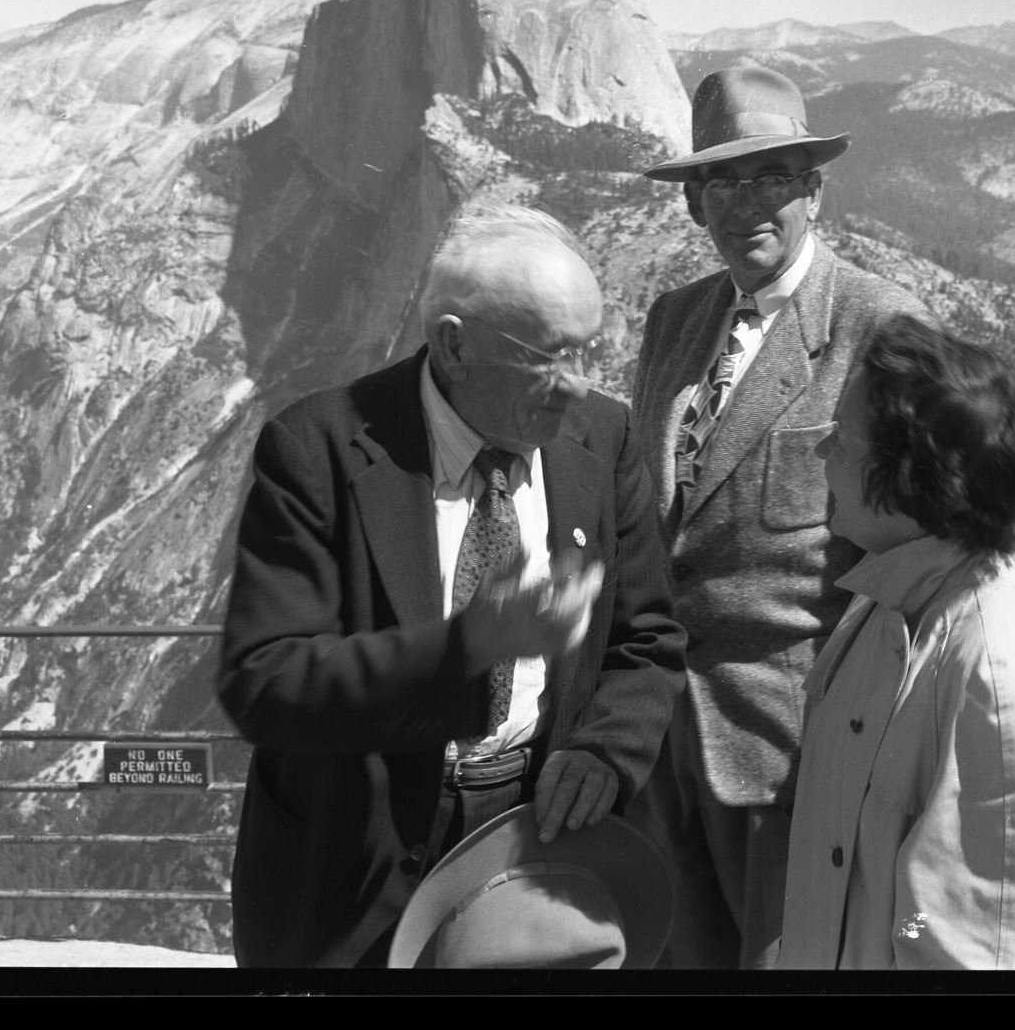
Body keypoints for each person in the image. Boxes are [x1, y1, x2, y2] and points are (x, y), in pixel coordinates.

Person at [216, 203, 686, 968]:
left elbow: (649, 638)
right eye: (549, 356)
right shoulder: (318, 451)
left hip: (532, 839)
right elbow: (263, 682)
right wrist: (466, 647)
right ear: (453, 345)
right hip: (355, 860)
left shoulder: (601, 438)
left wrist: (607, 748)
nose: (577, 386)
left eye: (589, 352)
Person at [627, 63, 925, 969]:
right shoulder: (673, 322)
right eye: (721, 180)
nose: (744, 203)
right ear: (692, 203)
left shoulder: (879, 324)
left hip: (797, 756)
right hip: (659, 748)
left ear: (812, 192)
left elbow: (921, 553)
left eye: (769, 178)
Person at [778, 315, 1015, 969]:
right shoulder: (891, 601)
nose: (821, 455)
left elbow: (986, 946)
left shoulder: (990, 665)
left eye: (841, 438)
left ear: (905, 475)